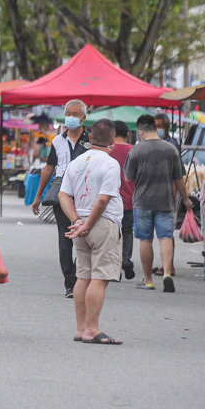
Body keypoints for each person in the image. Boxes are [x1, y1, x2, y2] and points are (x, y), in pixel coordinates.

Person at [57, 119, 125, 345]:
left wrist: (77, 221)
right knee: (100, 277)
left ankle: (80, 328)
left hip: (80, 222)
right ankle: (93, 329)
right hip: (103, 224)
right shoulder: (111, 163)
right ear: (113, 140)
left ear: (90, 137)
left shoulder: (76, 162)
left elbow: (63, 195)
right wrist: (88, 224)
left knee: (83, 276)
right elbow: (104, 199)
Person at [124, 114, 191, 293]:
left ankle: (148, 280)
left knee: (145, 240)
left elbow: (128, 177)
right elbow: (179, 178)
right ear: (156, 128)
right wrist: (185, 199)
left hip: (143, 202)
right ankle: (167, 273)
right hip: (166, 201)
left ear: (140, 131)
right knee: (165, 237)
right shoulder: (171, 149)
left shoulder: (136, 151)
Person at [32, 99, 92, 297]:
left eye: (75, 114)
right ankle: (70, 283)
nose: (71, 117)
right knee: (65, 240)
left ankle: (82, 277)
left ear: (83, 117)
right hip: (62, 195)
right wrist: (38, 195)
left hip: (85, 195)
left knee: (86, 238)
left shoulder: (91, 141)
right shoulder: (57, 140)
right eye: (68, 113)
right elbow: (49, 168)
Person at [108, 120, 136, 280]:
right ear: (127, 134)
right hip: (129, 200)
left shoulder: (108, 151)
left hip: (109, 200)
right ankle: (125, 259)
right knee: (127, 232)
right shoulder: (133, 150)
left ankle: (114, 266)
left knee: (112, 234)